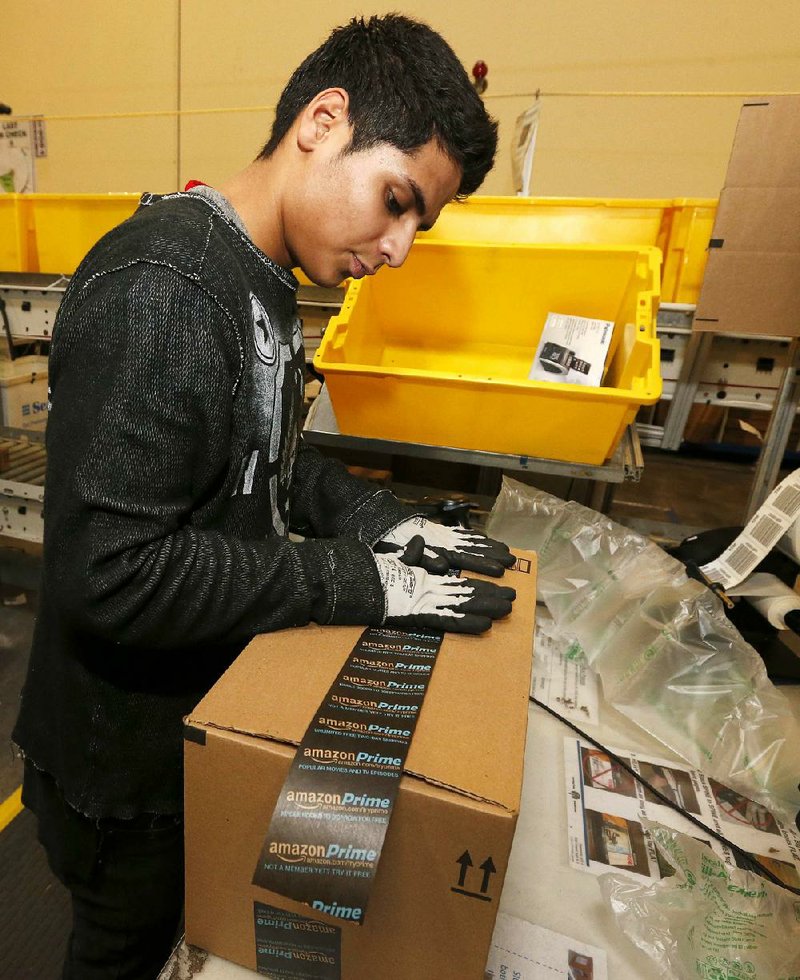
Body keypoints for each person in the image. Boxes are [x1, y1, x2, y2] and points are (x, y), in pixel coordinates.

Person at [13, 14, 516, 979]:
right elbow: (114, 577)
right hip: (120, 777)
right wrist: (361, 583)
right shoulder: (164, 285)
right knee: (124, 952)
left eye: (423, 222)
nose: (402, 247)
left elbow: (265, 462)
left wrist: (389, 524)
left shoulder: (264, 281)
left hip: (199, 734)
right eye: (398, 200)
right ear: (323, 122)